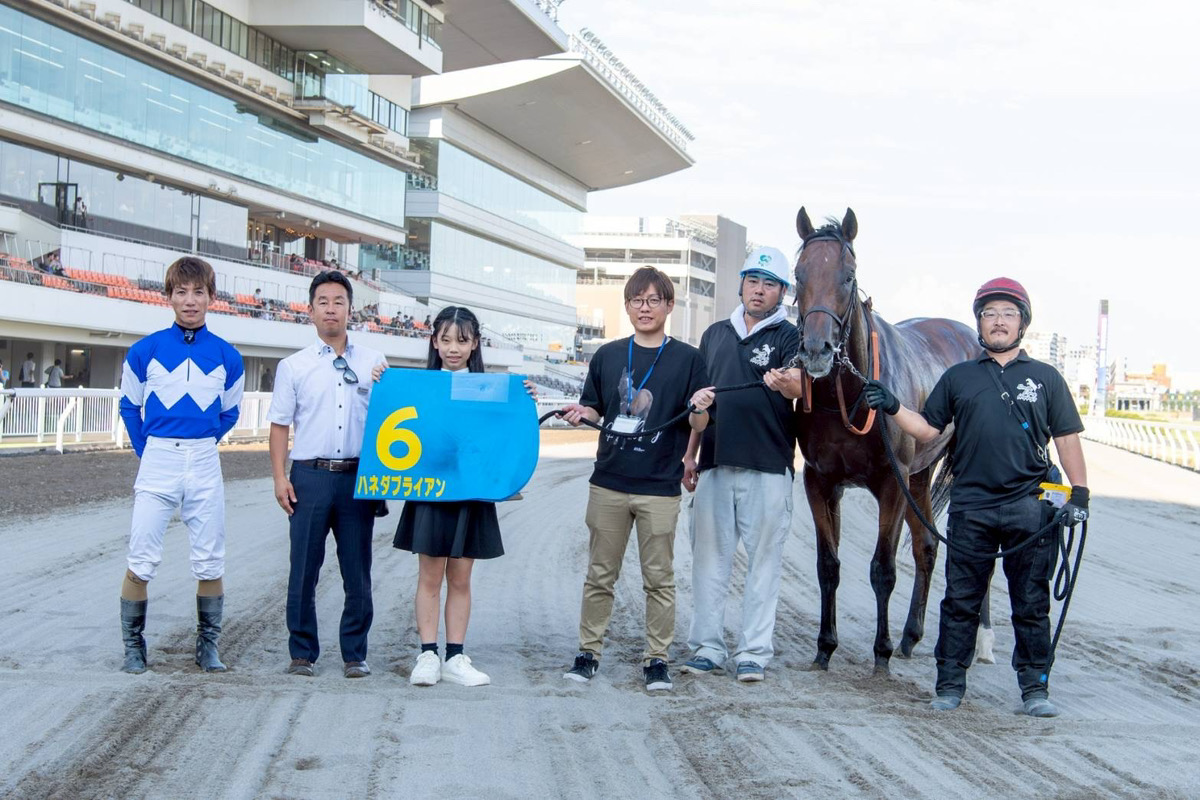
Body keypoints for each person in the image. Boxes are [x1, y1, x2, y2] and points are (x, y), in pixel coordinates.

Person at [864, 277, 1088, 718]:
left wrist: (1079, 493)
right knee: (960, 600)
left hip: (1031, 505)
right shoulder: (958, 377)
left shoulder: (1045, 378)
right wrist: (892, 406)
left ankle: (1035, 688)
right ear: (980, 323)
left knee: (1030, 602)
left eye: (1007, 314)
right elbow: (928, 431)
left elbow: (1067, 439)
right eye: (990, 314)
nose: (998, 321)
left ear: (1022, 323)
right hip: (972, 507)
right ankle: (949, 684)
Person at [559, 266, 713, 692]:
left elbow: (699, 419)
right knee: (599, 575)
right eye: (636, 300)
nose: (644, 308)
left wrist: (701, 404)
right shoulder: (608, 355)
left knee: (659, 579)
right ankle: (588, 652)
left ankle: (657, 659)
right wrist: (580, 415)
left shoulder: (689, 359)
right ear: (626, 306)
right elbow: (593, 408)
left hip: (659, 487)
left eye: (653, 300)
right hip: (608, 481)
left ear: (668, 306)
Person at [390, 306, 537, 688]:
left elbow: (508, 435)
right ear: (434, 341)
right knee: (429, 576)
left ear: (474, 344)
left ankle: (455, 656)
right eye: (446, 339)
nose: (453, 348)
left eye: (462, 340)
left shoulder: (491, 389)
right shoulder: (416, 385)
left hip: (471, 492)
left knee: (460, 577)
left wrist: (524, 400)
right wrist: (382, 382)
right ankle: (427, 654)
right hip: (430, 491)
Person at [117, 256, 245, 674]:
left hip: (204, 459)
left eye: (199, 292)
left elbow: (229, 413)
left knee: (210, 557)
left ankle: (207, 646)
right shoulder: (144, 350)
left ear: (212, 297)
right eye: (181, 292)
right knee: (142, 554)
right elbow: (129, 405)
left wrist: (203, 441)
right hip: (157, 457)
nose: (190, 301)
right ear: (168, 296)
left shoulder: (228, 357)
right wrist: (146, 450)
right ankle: (133, 648)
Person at [681, 246, 803, 683]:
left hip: (768, 467)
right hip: (714, 462)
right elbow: (699, 403)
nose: (759, 289)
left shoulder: (790, 337)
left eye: (770, 283)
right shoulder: (714, 334)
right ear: (741, 284)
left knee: (764, 564)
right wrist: (691, 454)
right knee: (709, 563)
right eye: (753, 280)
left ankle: (754, 652)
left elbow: (798, 389)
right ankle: (707, 647)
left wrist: (789, 382)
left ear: (782, 292)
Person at [268, 270, 387, 679]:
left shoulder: (375, 363)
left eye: (339, 301)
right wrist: (280, 477)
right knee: (303, 568)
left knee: (358, 570)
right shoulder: (293, 367)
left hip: (358, 479)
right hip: (309, 477)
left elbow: (393, 419)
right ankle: (302, 652)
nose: (331, 308)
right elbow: (280, 425)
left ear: (351, 309)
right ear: (310, 309)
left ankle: (355, 653)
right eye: (323, 301)